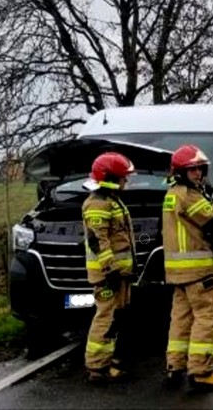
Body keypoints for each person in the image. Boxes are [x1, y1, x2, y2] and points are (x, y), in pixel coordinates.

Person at [162, 144, 213, 391]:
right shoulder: (189, 195)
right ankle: (201, 372)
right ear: (181, 172)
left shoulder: (172, 194)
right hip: (200, 272)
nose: (198, 174)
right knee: (206, 319)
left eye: (199, 169)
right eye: (192, 170)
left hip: (179, 273)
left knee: (180, 321)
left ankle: (175, 368)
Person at [82, 152, 137, 383]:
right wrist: (110, 269)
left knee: (116, 317)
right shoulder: (97, 203)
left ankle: (109, 361)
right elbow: (98, 240)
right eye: (123, 177)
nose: (126, 181)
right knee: (106, 316)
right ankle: (97, 367)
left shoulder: (111, 199)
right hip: (108, 275)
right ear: (111, 177)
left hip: (119, 273)